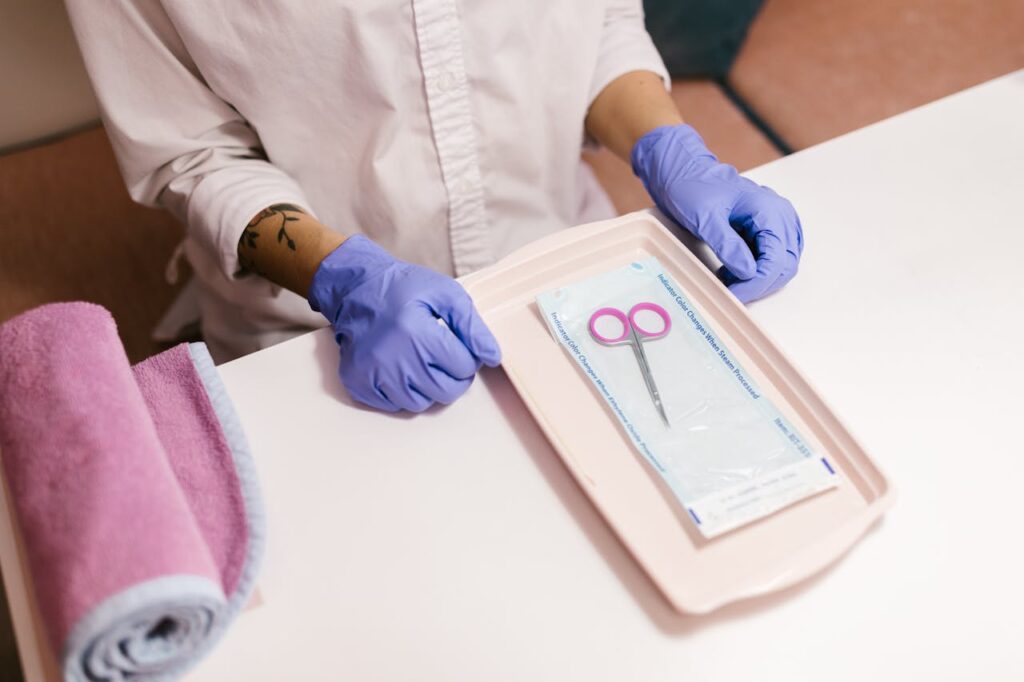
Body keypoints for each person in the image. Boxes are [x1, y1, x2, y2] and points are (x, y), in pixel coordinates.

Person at [65, 1, 802, 413]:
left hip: (564, 261)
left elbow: (599, 22)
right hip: (318, 331)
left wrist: (672, 151)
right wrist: (346, 280)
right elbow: (192, 154)